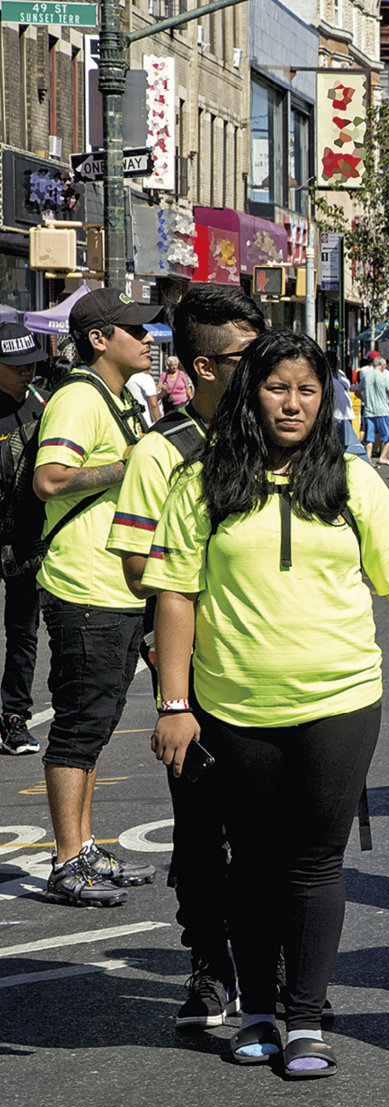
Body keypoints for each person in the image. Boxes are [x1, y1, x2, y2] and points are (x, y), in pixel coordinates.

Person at [147, 331, 389, 1078]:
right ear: (253, 393)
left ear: (327, 399)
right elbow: (176, 592)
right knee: (251, 864)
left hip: (340, 702)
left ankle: (305, 1019)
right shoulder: (201, 481)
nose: (293, 403)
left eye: (308, 390)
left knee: (313, 862)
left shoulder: (353, 480)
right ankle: (254, 1013)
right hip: (233, 705)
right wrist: (174, 702)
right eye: (278, 387)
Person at [106, 283, 265, 1026]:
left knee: (276, 833)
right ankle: (209, 967)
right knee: (203, 831)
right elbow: (140, 567)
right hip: (193, 671)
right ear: (204, 368)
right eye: (246, 355)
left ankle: (283, 973)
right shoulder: (160, 453)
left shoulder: (281, 436)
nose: (265, 366)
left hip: (277, 667)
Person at [33, 288, 163, 907]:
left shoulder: (117, 398)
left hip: (117, 585)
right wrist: (129, 465)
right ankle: (65, 860)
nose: (149, 339)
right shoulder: (79, 398)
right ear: (99, 340)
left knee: (99, 722)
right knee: (80, 726)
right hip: (85, 585)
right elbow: (50, 480)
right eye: (135, 330)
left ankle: (83, 849)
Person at [0, 323, 47, 755]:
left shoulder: (41, 405)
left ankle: (14, 718)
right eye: (15, 367)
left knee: (23, 633)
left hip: (24, 541)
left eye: (30, 364)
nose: (25, 373)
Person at [358, 354, 389, 466]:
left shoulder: (366, 377)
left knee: (369, 438)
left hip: (369, 411)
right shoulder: (384, 377)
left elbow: (357, 390)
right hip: (383, 411)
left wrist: (364, 399)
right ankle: (383, 457)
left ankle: (369, 459)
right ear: (381, 366)